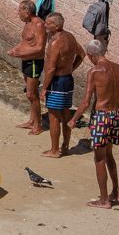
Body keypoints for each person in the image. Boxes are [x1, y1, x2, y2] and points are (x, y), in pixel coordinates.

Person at [78, 39, 119, 209]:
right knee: (109, 155)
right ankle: (116, 192)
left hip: (101, 118)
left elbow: (85, 102)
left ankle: (104, 199)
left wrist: (73, 119)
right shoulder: (118, 68)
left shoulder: (94, 72)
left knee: (99, 159)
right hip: (115, 115)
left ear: (90, 55)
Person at [39, 13, 85, 158]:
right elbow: (82, 54)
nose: (45, 25)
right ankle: (65, 146)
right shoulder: (70, 37)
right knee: (66, 114)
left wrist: (44, 88)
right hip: (68, 80)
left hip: (57, 82)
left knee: (54, 117)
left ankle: (54, 150)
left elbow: (51, 68)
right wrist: (71, 69)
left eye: (48, 23)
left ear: (57, 26)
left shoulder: (55, 43)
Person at [6, 0, 46, 134]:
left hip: (34, 62)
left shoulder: (39, 24)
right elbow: (24, 42)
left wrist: (20, 53)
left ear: (27, 12)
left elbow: (40, 48)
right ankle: (31, 121)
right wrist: (15, 49)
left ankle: (38, 125)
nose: (18, 13)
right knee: (30, 93)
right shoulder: (27, 23)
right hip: (26, 62)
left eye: (20, 10)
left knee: (31, 94)